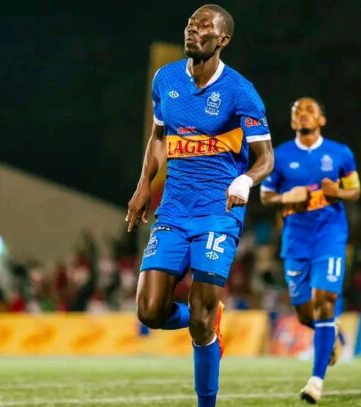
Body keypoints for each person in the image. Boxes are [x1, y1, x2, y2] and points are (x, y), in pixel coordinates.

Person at [125, 4, 274, 406]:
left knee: (201, 320)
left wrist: (244, 180)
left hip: (218, 213)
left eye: (204, 26)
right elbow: (159, 137)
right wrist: (144, 185)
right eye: (191, 24)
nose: (192, 30)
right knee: (150, 312)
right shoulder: (166, 79)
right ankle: (207, 316)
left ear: (223, 39)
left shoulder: (240, 92)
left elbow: (266, 158)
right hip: (174, 210)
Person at [260, 97, 361, 404]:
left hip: (330, 238)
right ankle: (333, 332)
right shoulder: (279, 156)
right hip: (295, 243)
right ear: (293, 122)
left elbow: (355, 190)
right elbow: (265, 196)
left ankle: (316, 381)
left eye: (310, 111)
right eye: (298, 112)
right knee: (306, 315)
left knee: (325, 300)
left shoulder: (340, 153)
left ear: (321, 120)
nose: (303, 115)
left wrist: (337, 192)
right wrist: (286, 198)